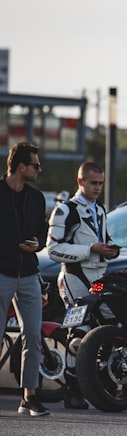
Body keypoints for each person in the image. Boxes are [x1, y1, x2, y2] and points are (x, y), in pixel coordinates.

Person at [46, 161, 119, 409]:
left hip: (98, 281)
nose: (98, 187)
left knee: (108, 328)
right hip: (74, 278)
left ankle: (106, 388)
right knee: (78, 333)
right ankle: (72, 391)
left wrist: (110, 249)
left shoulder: (100, 211)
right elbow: (53, 249)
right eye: (93, 183)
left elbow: (103, 240)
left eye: (101, 183)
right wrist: (90, 249)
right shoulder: (65, 211)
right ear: (80, 181)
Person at [1, 142, 49, 416]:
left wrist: (37, 244)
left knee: (33, 336)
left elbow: (41, 233)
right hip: (2, 272)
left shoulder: (36, 198)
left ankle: (29, 397)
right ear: (21, 167)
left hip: (29, 273)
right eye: (35, 165)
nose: (39, 170)